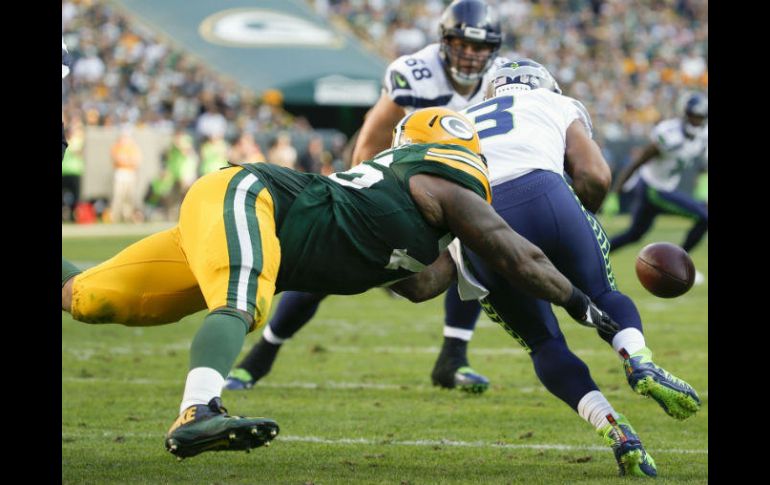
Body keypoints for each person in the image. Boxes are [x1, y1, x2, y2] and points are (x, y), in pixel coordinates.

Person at [61, 107, 619, 459]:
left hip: (238, 217)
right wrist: (582, 303)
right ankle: (198, 411)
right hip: (252, 197)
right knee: (241, 297)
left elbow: (418, 284)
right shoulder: (436, 182)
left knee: (91, 297)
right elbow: (517, 256)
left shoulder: (420, 210)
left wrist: (473, 260)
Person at [225, 0, 507, 393]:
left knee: (477, 246)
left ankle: (453, 358)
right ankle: (258, 360)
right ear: (445, 40)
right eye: (463, 44)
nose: (471, 54)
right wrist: (380, 210)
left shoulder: (498, 82)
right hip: (387, 183)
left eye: (480, 47)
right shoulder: (418, 74)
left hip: (447, 190)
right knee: (328, 264)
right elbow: (368, 144)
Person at [454, 60, 701, 477]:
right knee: (602, 294)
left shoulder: (458, 119)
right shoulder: (555, 102)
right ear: (546, 83)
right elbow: (594, 174)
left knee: (543, 342)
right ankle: (636, 357)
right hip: (545, 196)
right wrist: (579, 220)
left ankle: (614, 428)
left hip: (476, 217)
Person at [608, 93, 708, 255]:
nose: (695, 120)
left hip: (662, 188)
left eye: (699, 117)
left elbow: (704, 166)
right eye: (692, 115)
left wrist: (704, 191)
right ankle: (679, 262)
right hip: (653, 189)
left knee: (634, 234)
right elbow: (637, 162)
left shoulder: (702, 137)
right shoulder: (669, 134)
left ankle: (595, 254)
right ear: (685, 113)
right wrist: (614, 193)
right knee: (705, 217)